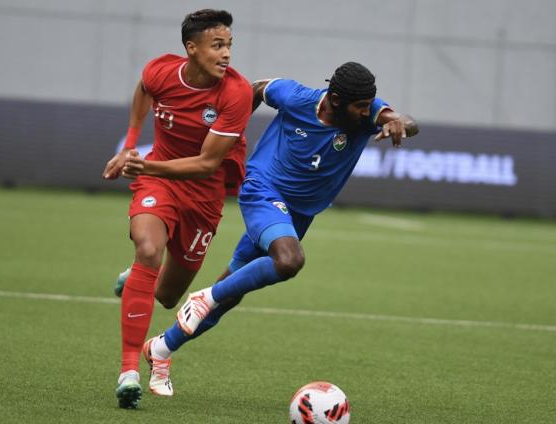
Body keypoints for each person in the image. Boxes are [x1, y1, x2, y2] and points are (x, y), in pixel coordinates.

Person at [128, 61, 420, 394]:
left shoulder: (366, 113)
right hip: (262, 190)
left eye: (370, 106)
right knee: (289, 260)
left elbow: (408, 122)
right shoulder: (296, 97)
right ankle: (205, 296)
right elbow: (255, 88)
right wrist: (231, 136)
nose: (367, 113)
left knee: (232, 292)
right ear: (335, 100)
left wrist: (399, 123)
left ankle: (162, 348)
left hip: (296, 214)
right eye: (361, 107)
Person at [101, 9, 252, 409]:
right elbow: (143, 89)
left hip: (203, 196)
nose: (226, 55)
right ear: (192, 48)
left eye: (229, 46)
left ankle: (138, 276)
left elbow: (206, 164)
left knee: (168, 296)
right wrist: (132, 142)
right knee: (148, 250)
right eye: (217, 45)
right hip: (161, 183)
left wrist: (141, 161)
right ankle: (129, 370)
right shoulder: (162, 71)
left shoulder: (235, 93)